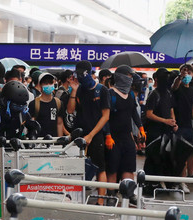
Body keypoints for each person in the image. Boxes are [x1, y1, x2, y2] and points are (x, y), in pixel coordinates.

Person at [68, 60, 109, 193]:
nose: (81, 78)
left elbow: (105, 116)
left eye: (83, 75)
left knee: (100, 168)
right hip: (80, 132)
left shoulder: (102, 90)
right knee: (76, 167)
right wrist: (73, 91)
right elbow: (70, 110)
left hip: (95, 135)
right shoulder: (79, 89)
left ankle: (101, 200)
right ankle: (76, 197)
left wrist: (91, 135)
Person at [105, 65, 144, 184]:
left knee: (129, 166)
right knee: (112, 168)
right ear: (120, 77)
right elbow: (105, 117)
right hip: (113, 138)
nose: (131, 79)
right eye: (129, 76)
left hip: (127, 137)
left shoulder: (131, 95)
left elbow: (133, 112)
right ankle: (111, 194)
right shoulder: (110, 94)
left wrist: (140, 127)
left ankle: (128, 192)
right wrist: (107, 135)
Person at [171, 63, 193, 187]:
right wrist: (180, 77)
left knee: (188, 153)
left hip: (189, 126)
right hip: (178, 126)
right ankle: (179, 180)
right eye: (185, 73)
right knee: (178, 155)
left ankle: (183, 178)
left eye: (189, 74)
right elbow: (174, 86)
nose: (187, 76)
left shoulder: (192, 90)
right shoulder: (177, 87)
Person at [30, 72, 65, 138]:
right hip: (38, 142)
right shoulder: (34, 104)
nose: (48, 85)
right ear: (40, 86)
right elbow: (31, 125)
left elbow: (59, 123)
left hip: (53, 141)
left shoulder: (58, 103)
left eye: (50, 83)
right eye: (45, 83)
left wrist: (60, 142)